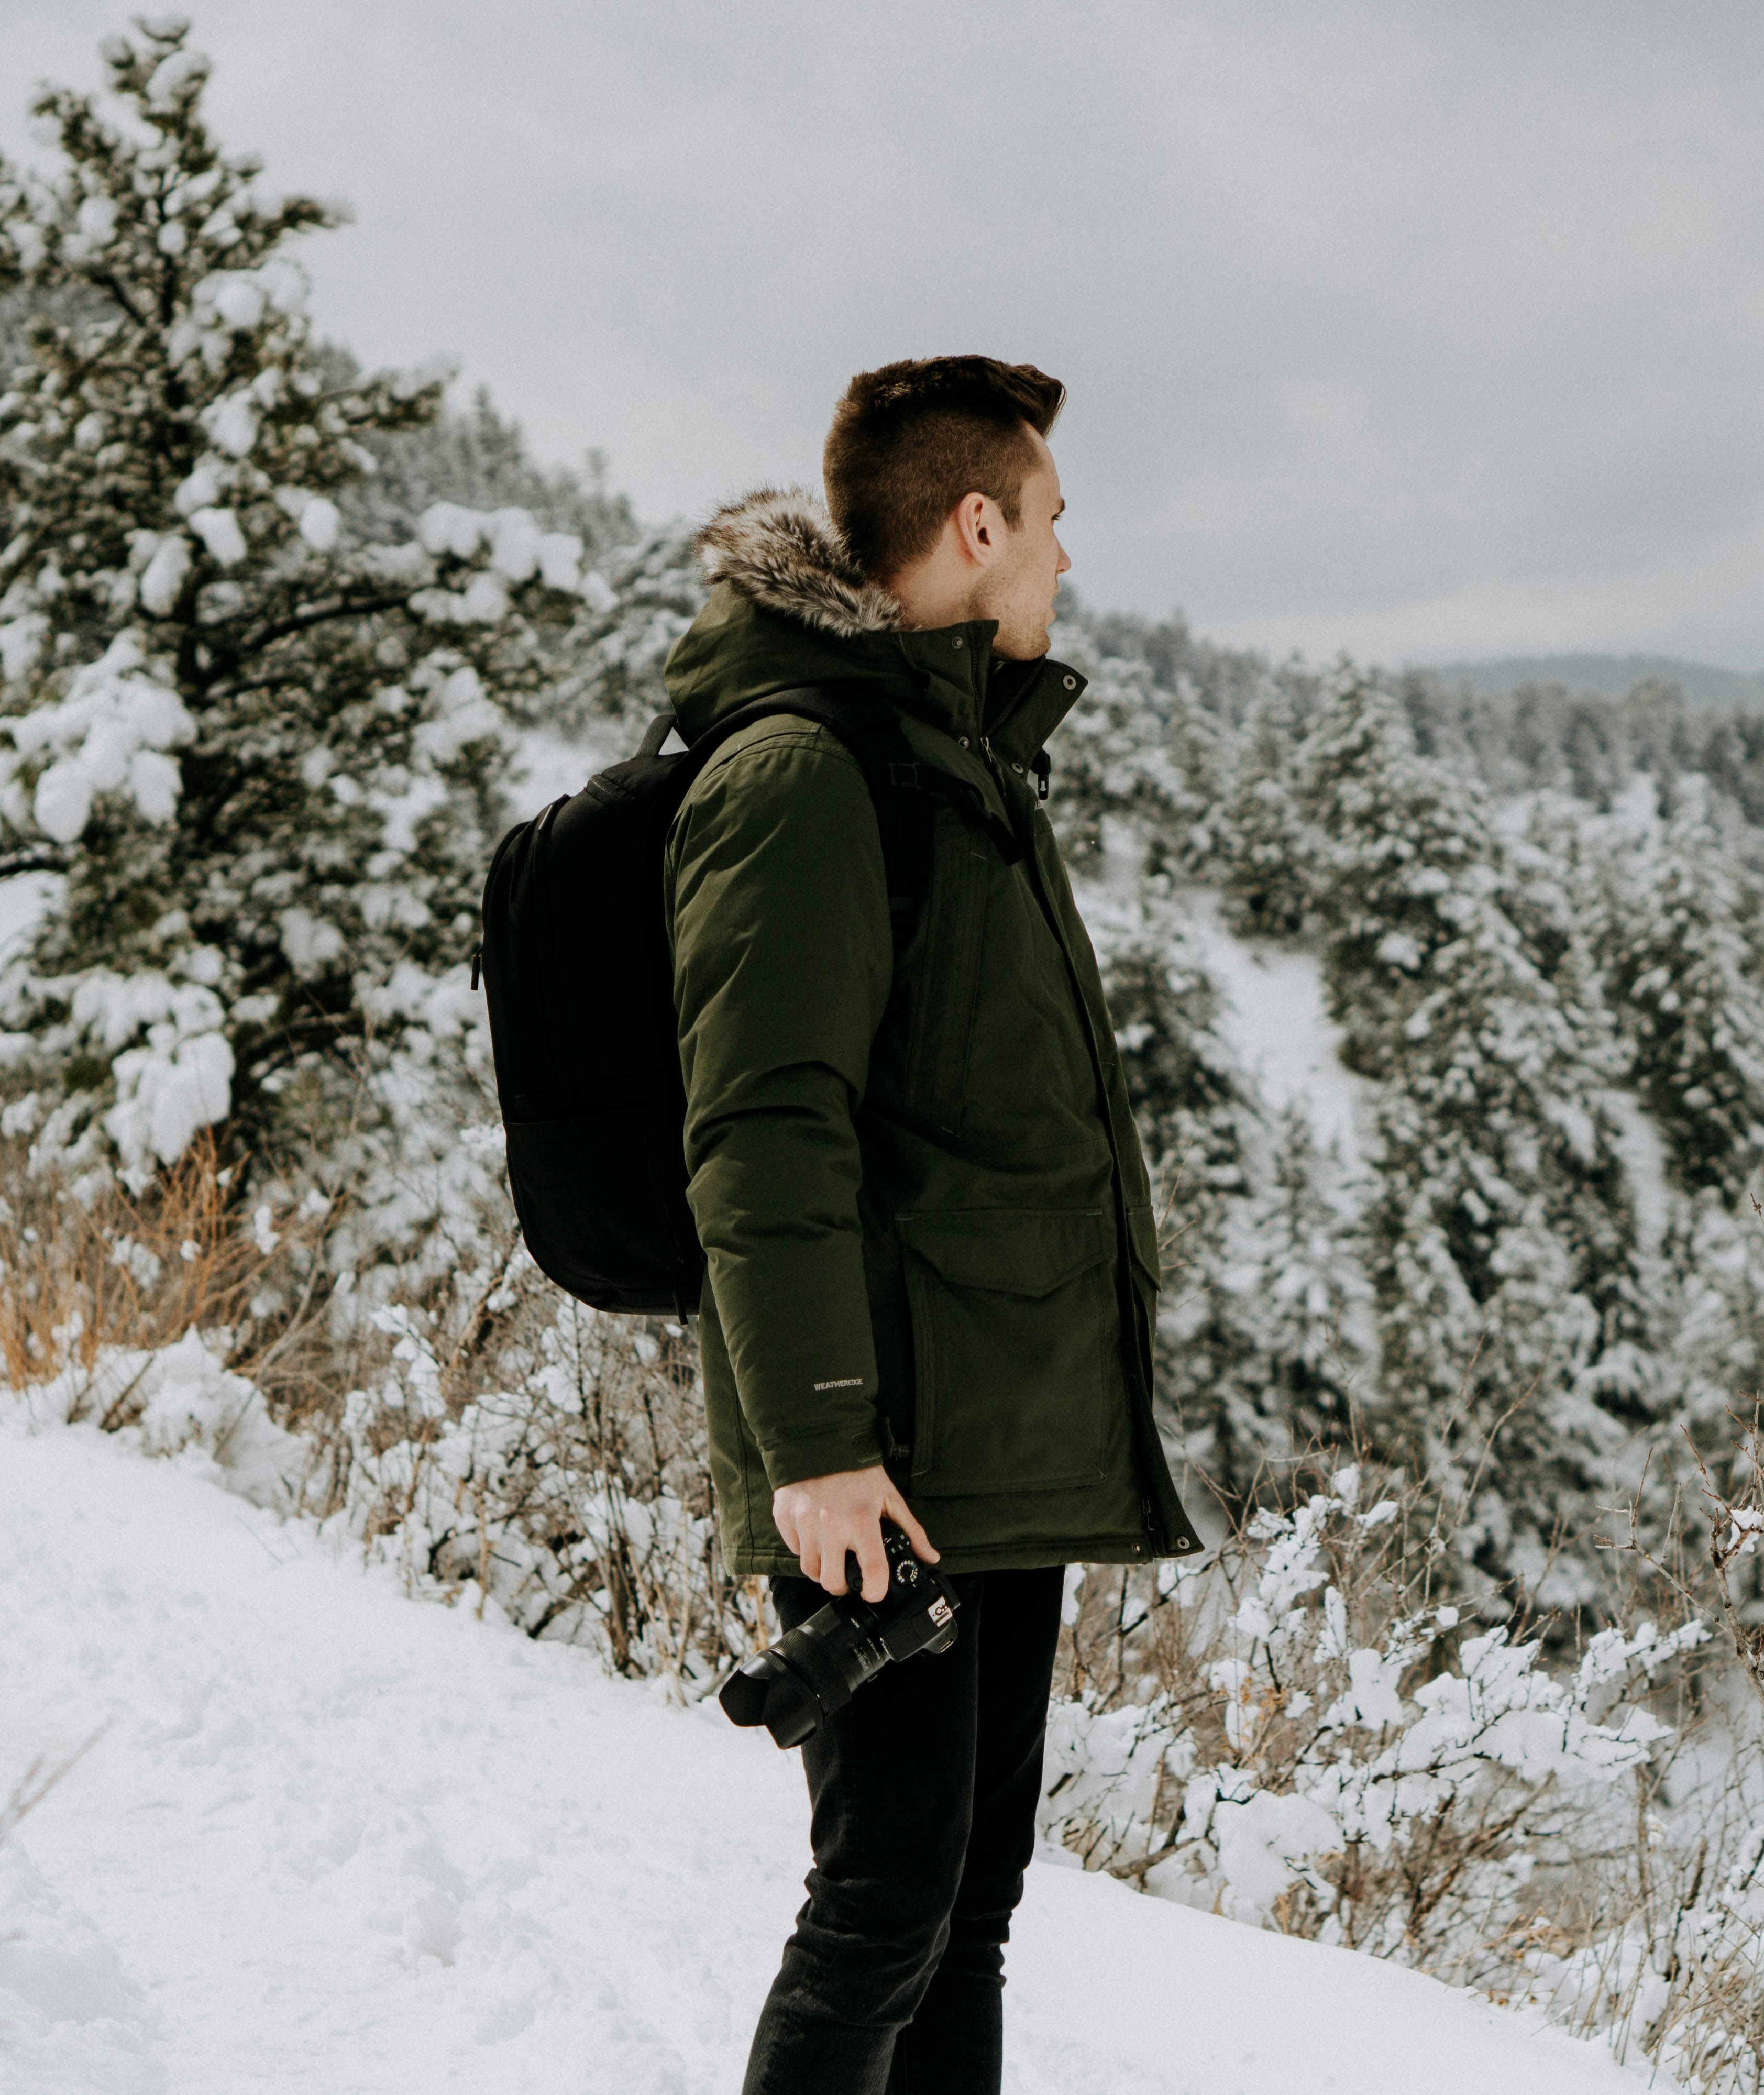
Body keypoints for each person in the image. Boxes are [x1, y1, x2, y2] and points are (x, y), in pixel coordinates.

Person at [662, 356, 1202, 2095]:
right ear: (976, 524)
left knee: (968, 1901)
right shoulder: (807, 772)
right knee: (883, 1902)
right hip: (876, 1448)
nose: (1064, 562)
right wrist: (821, 1445)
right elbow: (759, 1130)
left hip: (987, 1436)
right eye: (1050, 524)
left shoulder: (955, 759)